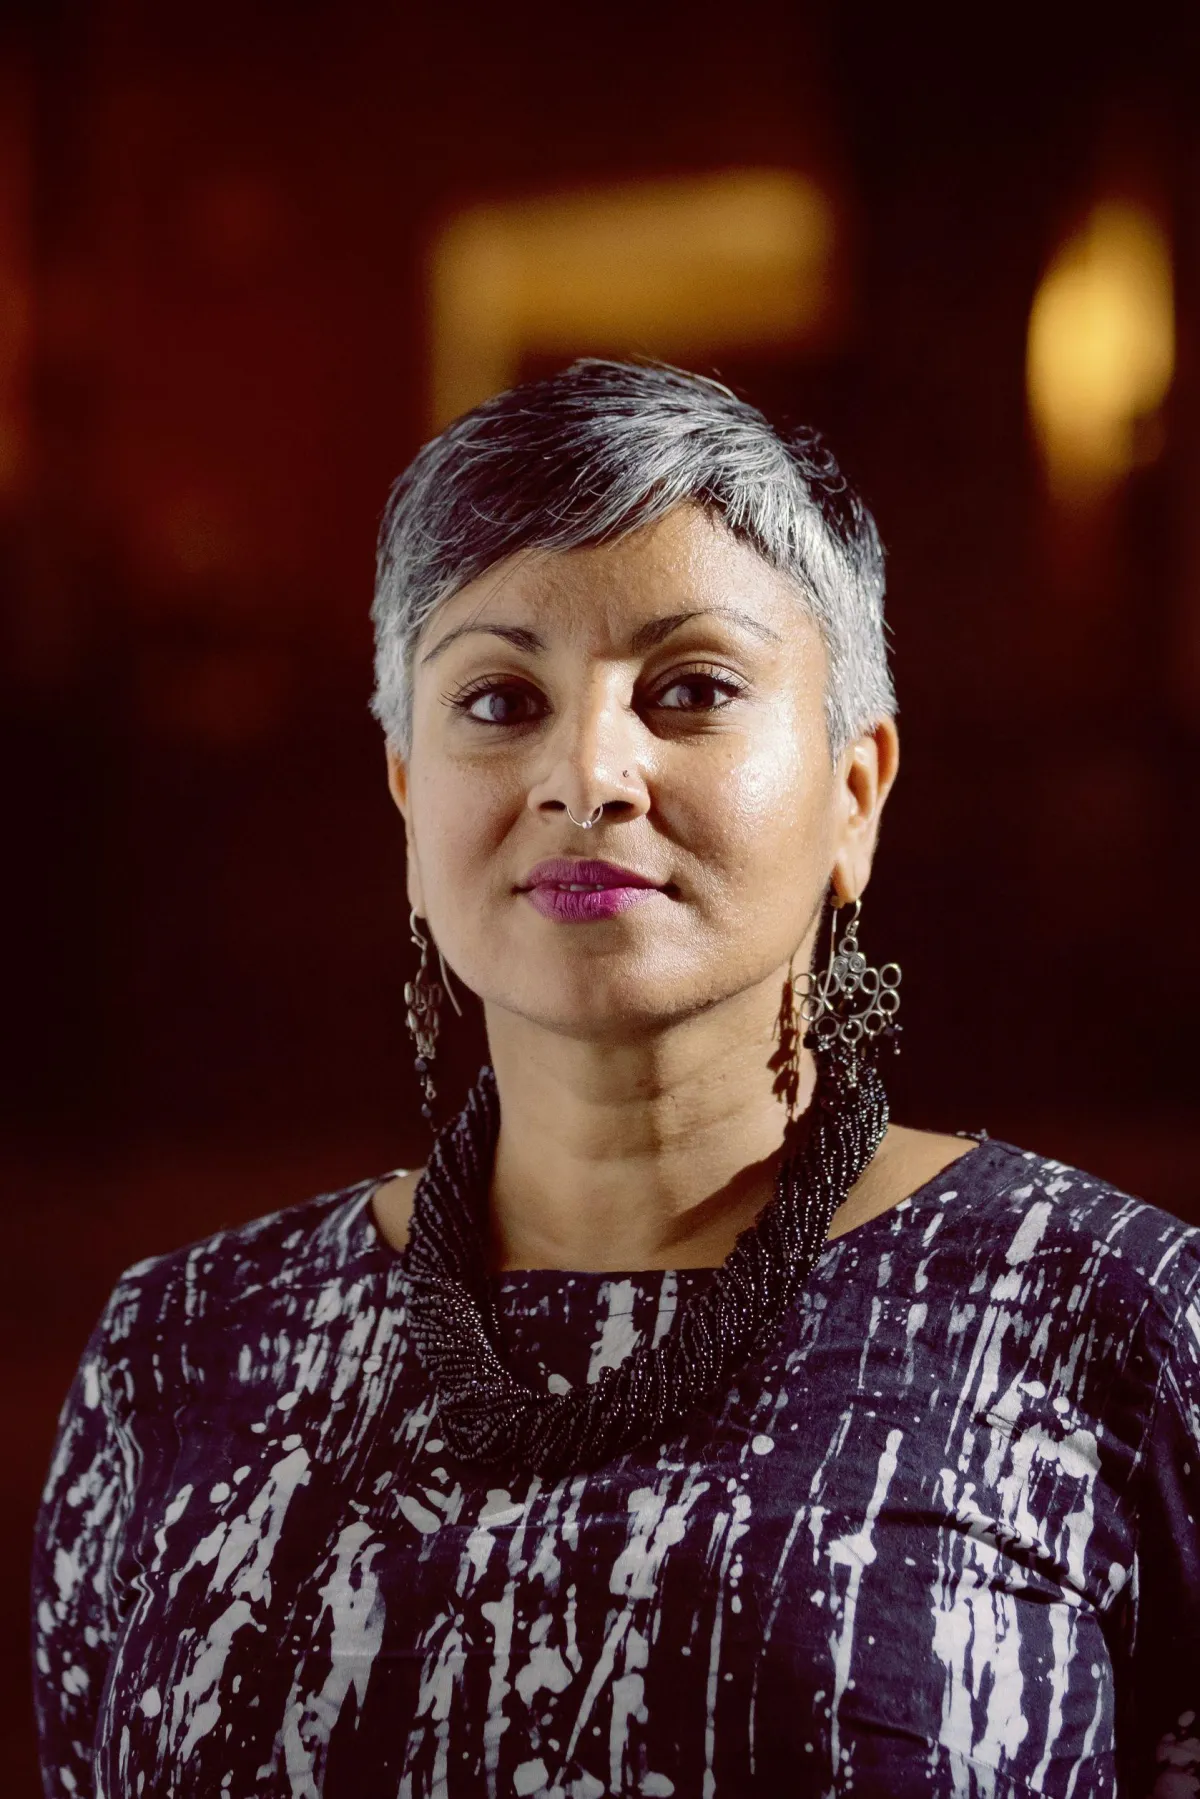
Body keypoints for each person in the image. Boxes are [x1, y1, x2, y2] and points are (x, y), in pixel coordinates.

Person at [32, 361, 1200, 1798]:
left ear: (855, 790)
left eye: (691, 688)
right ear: (408, 797)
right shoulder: (180, 1360)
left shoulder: (1112, 1326)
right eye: (499, 699)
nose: (588, 773)